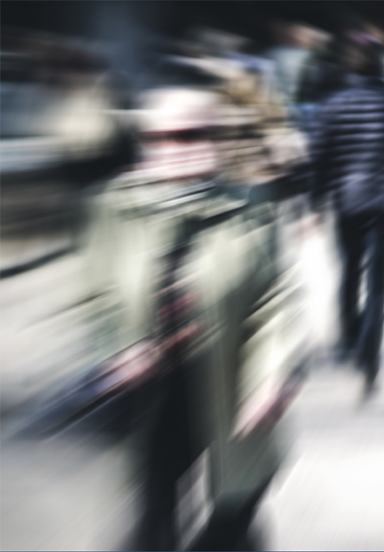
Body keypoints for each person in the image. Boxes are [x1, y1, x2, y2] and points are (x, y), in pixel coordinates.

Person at [81, 76, 304, 550]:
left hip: (231, 381)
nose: (178, 147)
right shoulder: (114, 208)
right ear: (144, 143)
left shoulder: (250, 206)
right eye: (161, 137)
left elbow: (275, 299)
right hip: (155, 390)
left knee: (234, 509)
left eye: (194, 134)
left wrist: (271, 375)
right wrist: (117, 348)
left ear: (219, 139)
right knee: (153, 511)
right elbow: (97, 293)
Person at [311, 31, 384, 393]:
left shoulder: (333, 104)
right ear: (380, 63)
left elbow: (320, 157)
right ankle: (369, 355)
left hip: (347, 201)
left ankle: (349, 341)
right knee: (378, 284)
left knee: (348, 273)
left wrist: (315, 200)